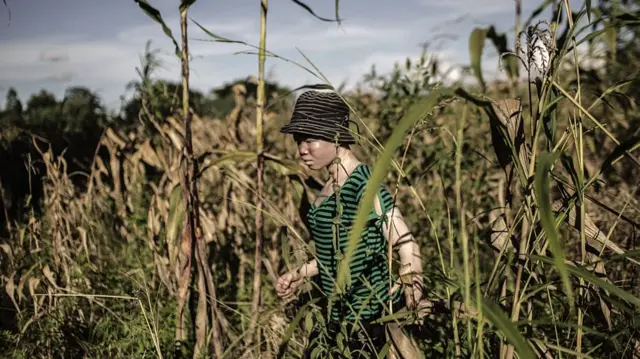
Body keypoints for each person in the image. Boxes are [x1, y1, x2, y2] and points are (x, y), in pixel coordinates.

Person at [275, 87, 424, 358]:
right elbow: (339, 254)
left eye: (309, 140)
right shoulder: (329, 187)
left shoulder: (362, 182)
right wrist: (298, 275)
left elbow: (404, 241)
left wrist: (412, 282)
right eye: (298, 141)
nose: (302, 150)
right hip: (336, 318)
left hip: (367, 321)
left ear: (335, 136)